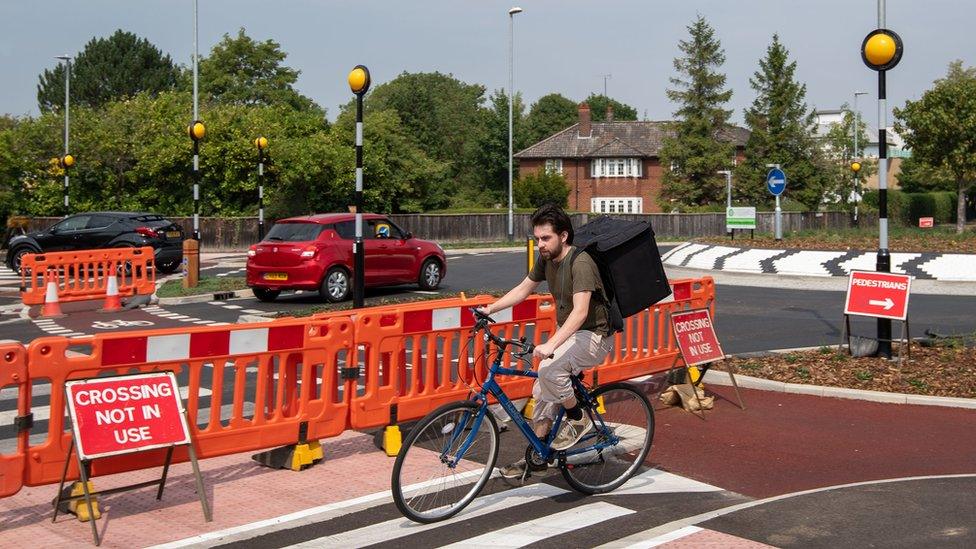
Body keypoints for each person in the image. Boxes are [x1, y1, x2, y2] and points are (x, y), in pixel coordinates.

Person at [477, 204, 613, 479]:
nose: (540, 244)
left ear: (563, 236)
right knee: (542, 389)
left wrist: (551, 346)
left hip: (594, 335)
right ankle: (538, 453)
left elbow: (581, 312)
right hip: (570, 331)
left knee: (550, 370)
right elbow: (524, 288)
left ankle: (579, 419)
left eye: (545, 238)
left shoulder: (581, 263)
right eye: (537, 238)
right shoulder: (546, 259)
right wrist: (491, 309)